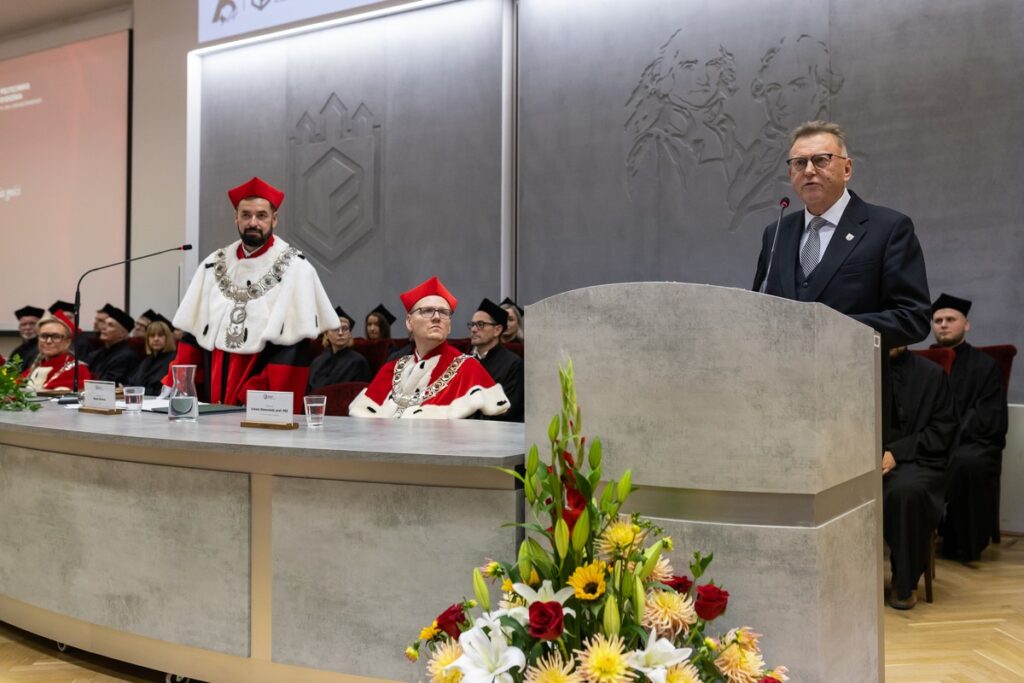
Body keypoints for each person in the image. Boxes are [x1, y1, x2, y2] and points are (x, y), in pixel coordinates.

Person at [751, 120, 931, 436]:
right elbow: (758, 312)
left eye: (821, 160)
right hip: (779, 400)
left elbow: (912, 318)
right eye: (799, 163)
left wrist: (832, 330)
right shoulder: (777, 232)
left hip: (853, 402)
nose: (809, 170)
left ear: (846, 169)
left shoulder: (887, 229)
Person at [165, 176, 335, 413]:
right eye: (245, 215)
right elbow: (193, 334)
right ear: (236, 218)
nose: (253, 222)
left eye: (261, 215)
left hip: (261, 389)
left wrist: (255, 394)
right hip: (213, 389)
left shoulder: (296, 268)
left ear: (274, 219)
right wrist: (178, 383)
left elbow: (294, 348)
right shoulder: (213, 264)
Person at [349, 276, 510, 419]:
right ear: (409, 322)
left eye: (444, 312)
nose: (437, 317)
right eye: (427, 311)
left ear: (449, 325)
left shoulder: (469, 368)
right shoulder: (391, 368)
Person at [930, 293, 1008, 562]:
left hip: (971, 441)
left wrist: (951, 438)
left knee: (967, 462)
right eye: (938, 319)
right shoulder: (921, 363)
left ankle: (962, 543)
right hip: (927, 440)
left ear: (966, 325)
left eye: (950, 319)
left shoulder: (985, 366)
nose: (943, 324)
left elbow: (988, 415)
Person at [882, 346, 957, 609]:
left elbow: (942, 430)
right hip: (861, 457)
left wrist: (897, 452)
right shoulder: (850, 366)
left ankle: (904, 582)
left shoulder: (932, 374)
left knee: (906, 492)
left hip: (917, 459)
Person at [470, 298, 524, 421]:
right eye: (472, 324)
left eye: (480, 324)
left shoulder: (513, 364)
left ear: (497, 330)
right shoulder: (464, 361)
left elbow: (508, 410)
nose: (473, 329)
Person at [21, 311, 93, 391]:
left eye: (56, 337)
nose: (48, 341)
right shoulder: (36, 366)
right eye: (44, 336)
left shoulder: (78, 370)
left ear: (68, 341)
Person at [307, 306, 372, 391]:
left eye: (345, 329)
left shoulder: (359, 362)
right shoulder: (317, 363)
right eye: (335, 329)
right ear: (326, 334)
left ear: (349, 334)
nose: (341, 333)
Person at [86, 304, 139, 386]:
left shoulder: (126, 356)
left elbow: (107, 384)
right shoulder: (96, 354)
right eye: (104, 323)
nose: (103, 328)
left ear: (122, 334)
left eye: (110, 325)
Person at [127, 318, 177, 395]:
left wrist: (134, 390)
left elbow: (163, 392)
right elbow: (132, 383)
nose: (156, 339)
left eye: (160, 335)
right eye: (152, 335)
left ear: (168, 337)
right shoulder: (146, 360)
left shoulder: (173, 360)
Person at [10, 305, 44, 369]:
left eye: (32, 324)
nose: (27, 328)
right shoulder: (17, 350)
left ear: (41, 325)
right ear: (19, 328)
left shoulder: (44, 348)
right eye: (23, 324)